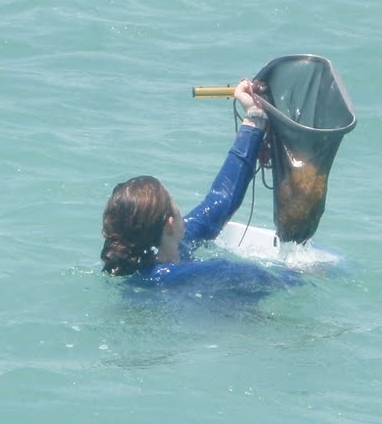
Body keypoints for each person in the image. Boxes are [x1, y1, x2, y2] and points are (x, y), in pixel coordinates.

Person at [99, 79, 286, 290]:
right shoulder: (207, 272)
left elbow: (221, 200)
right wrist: (300, 276)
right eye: (174, 202)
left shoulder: (166, 246)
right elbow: (257, 277)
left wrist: (254, 118)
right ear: (170, 224)